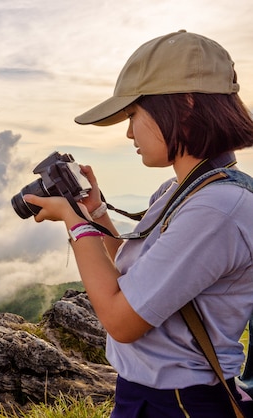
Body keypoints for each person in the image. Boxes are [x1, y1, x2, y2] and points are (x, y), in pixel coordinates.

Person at [24, 30, 253, 417]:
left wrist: (74, 222)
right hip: (148, 394)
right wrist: (96, 212)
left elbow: (122, 321)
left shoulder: (217, 209)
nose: (129, 132)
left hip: (182, 403)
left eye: (133, 115)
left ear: (184, 105)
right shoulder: (184, 189)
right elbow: (135, 273)